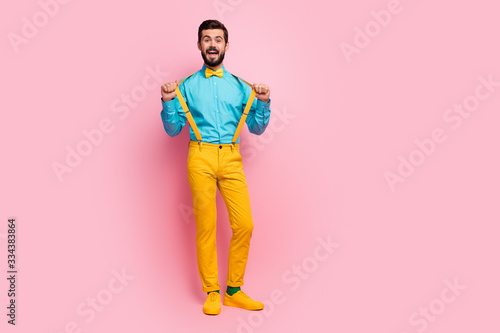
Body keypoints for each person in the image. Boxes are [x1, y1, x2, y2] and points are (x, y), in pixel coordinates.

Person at [160, 19, 271, 315]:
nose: (212, 44)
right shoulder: (185, 87)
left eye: (217, 39)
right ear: (199, 45)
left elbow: (258, 129)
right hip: (200, 156)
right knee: (206, 225)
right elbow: (172, 130)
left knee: (244, 224)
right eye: (206, 39)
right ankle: (212, 290)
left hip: (232, 157)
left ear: (226, 45)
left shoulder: (241, 86)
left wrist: (263, 101)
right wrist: (169, 101)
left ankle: (234, 290)